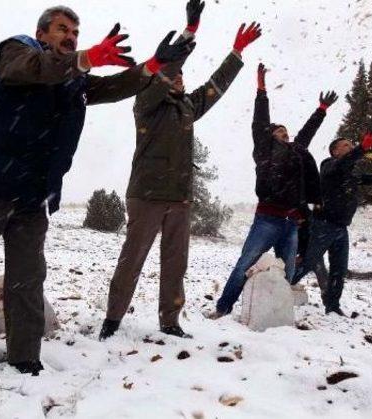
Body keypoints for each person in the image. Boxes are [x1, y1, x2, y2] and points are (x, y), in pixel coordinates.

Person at [0, 6, 191, 375]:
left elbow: (113, 87)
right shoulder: (16, 52)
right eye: (62, 29)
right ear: (41, 34)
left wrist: (152, 65)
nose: (70, 36)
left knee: (28, 276)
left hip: (33, 196)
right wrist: (86, 58)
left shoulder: (73, 78)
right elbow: (35, 69)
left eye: (75, 32)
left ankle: (24, 359)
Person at [99, 1, 262, 340]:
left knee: (176, 265)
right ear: (162, 81)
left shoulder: (188, 107)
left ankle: (170, 321)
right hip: (147, 195)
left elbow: (216, 85)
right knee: (132, 260)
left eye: (182, 76)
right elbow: (163, 70)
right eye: (173, 75)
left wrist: (236, 52)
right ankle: (112, 320)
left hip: (180, 199)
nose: (180, 78)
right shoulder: (147, 106)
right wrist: (189, 33)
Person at [211, 63, 338, 318]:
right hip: (267, 220)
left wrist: (321, 111)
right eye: (280, 131)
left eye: (287, 132)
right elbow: (260, 121)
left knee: (287, 273)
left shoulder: (295, 152)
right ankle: (223, 308)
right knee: (244, 264)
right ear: (270, 136)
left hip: (291, 222)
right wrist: (261, 89)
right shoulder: (264, 150)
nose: (286, 134)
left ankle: (272, 313)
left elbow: (306, 133)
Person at [292, 134, 372, 316]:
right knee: (308, 262)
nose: (350, 146)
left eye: (351, 144)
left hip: (341, 228)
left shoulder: (352, 175)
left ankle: (333, 307)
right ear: (335, 151)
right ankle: (277, 286)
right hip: (323, 225)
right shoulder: (328, 166)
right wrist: (361, 149)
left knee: (339, 270)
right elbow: (341, 164)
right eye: (345, 144)